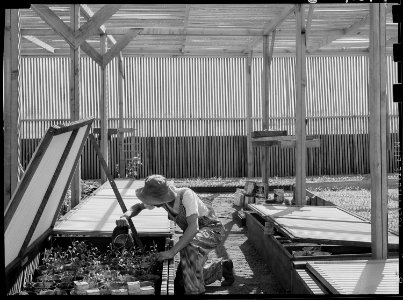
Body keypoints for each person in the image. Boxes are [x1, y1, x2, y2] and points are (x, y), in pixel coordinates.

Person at [116, 174, 234, 295]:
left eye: (154, 200)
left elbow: (194, 227)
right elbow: (138, 207)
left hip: (212, 230)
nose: (153, 203)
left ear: (163, 195)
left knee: (189, 248)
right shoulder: (162, 201)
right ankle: (222, 268)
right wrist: (125, 216)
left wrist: (171, 252)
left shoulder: (186, 195)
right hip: (195, 235)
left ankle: (196, 292)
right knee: (181, 283)